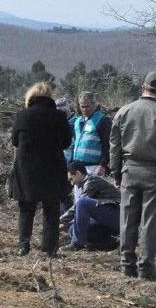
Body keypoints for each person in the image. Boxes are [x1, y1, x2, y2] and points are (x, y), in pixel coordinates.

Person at [110, 72, 156, 280]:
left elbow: (114, 147)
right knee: (150, 222)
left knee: (127, 220)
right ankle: (146, 267)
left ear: (143, 86)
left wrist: (116, 173)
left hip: (130, 170)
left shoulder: (124, 112)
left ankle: (126, 264)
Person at [8, 82, 72, 256]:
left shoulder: (22, 116)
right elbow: (67, 142)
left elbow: (14, 141)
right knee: (51, 210)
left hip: (26, 169)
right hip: (52, 168)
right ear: (50, 97)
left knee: (26, 209)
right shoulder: (59, 117)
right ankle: (49, 248)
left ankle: (23, 245)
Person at [61, 162, 121, 250]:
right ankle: (109, 243)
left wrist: (60, 220)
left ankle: (77, 244)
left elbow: (78, 206)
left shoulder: (92, 181)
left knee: (82, 202)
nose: (72, 184)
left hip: (118, 215)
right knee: (72, 229)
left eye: (71, 179)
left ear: (78, 173)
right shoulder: (87, 182)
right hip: (109, 216)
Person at [71, 91, 112, 176]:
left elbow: (107, 145)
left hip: (94, 167)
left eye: (87, 106)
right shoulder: (77, 121)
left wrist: (103, 165)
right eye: (82, 107)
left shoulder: (103, 120)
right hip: (78, 167)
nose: (84, 109)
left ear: (94, 105)